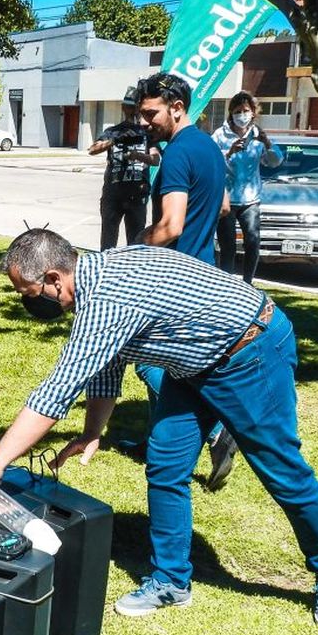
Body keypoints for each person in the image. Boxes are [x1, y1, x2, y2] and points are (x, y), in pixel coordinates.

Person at [0, 228, 318, 629]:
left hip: (249, 352)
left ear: (55, 279)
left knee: (282, 471)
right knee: (166, 465)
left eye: (28, 292)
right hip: (193, 364)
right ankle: (171, 580)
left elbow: (55, 393)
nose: (29, 301)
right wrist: (94, 430)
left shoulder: (108, 299)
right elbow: (107, 364)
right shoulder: (96, 279)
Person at [135, 71, 238, 490]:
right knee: (175, 363)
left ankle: (215, 428)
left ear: (176, 109)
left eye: (150, 114)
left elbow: (171, 225)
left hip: (176, 278)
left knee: (147, 360)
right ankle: (157, 439)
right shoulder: (209, 148)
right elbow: (225, 207)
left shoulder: (177, 152)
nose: (143, 123)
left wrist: (137, 246)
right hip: (205, 273)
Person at [212, 92, 282, 284]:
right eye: (237, 111)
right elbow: (210, 163)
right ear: (230, 113)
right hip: (226, 200)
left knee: (252, 241)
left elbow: (274, 162)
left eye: (246, 111)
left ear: (253, 113)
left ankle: (248, 283)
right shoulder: (219, 135)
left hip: (250, 199)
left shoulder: (257, 135)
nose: (241, 115)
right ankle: (227, 285)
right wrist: (229, 151)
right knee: (228, 246)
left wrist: (267, 142)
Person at [87, 84, 159, 250]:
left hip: (137, 196)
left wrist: (138, 156)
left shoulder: (146, 133)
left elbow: (155, 159)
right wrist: (114, 141)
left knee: (135, 242)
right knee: (108, 241)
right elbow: (92, 150)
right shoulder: (112, 131)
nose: (131, 110)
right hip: (113, 195)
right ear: (123, 108)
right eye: (128, 106)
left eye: (135, 107)